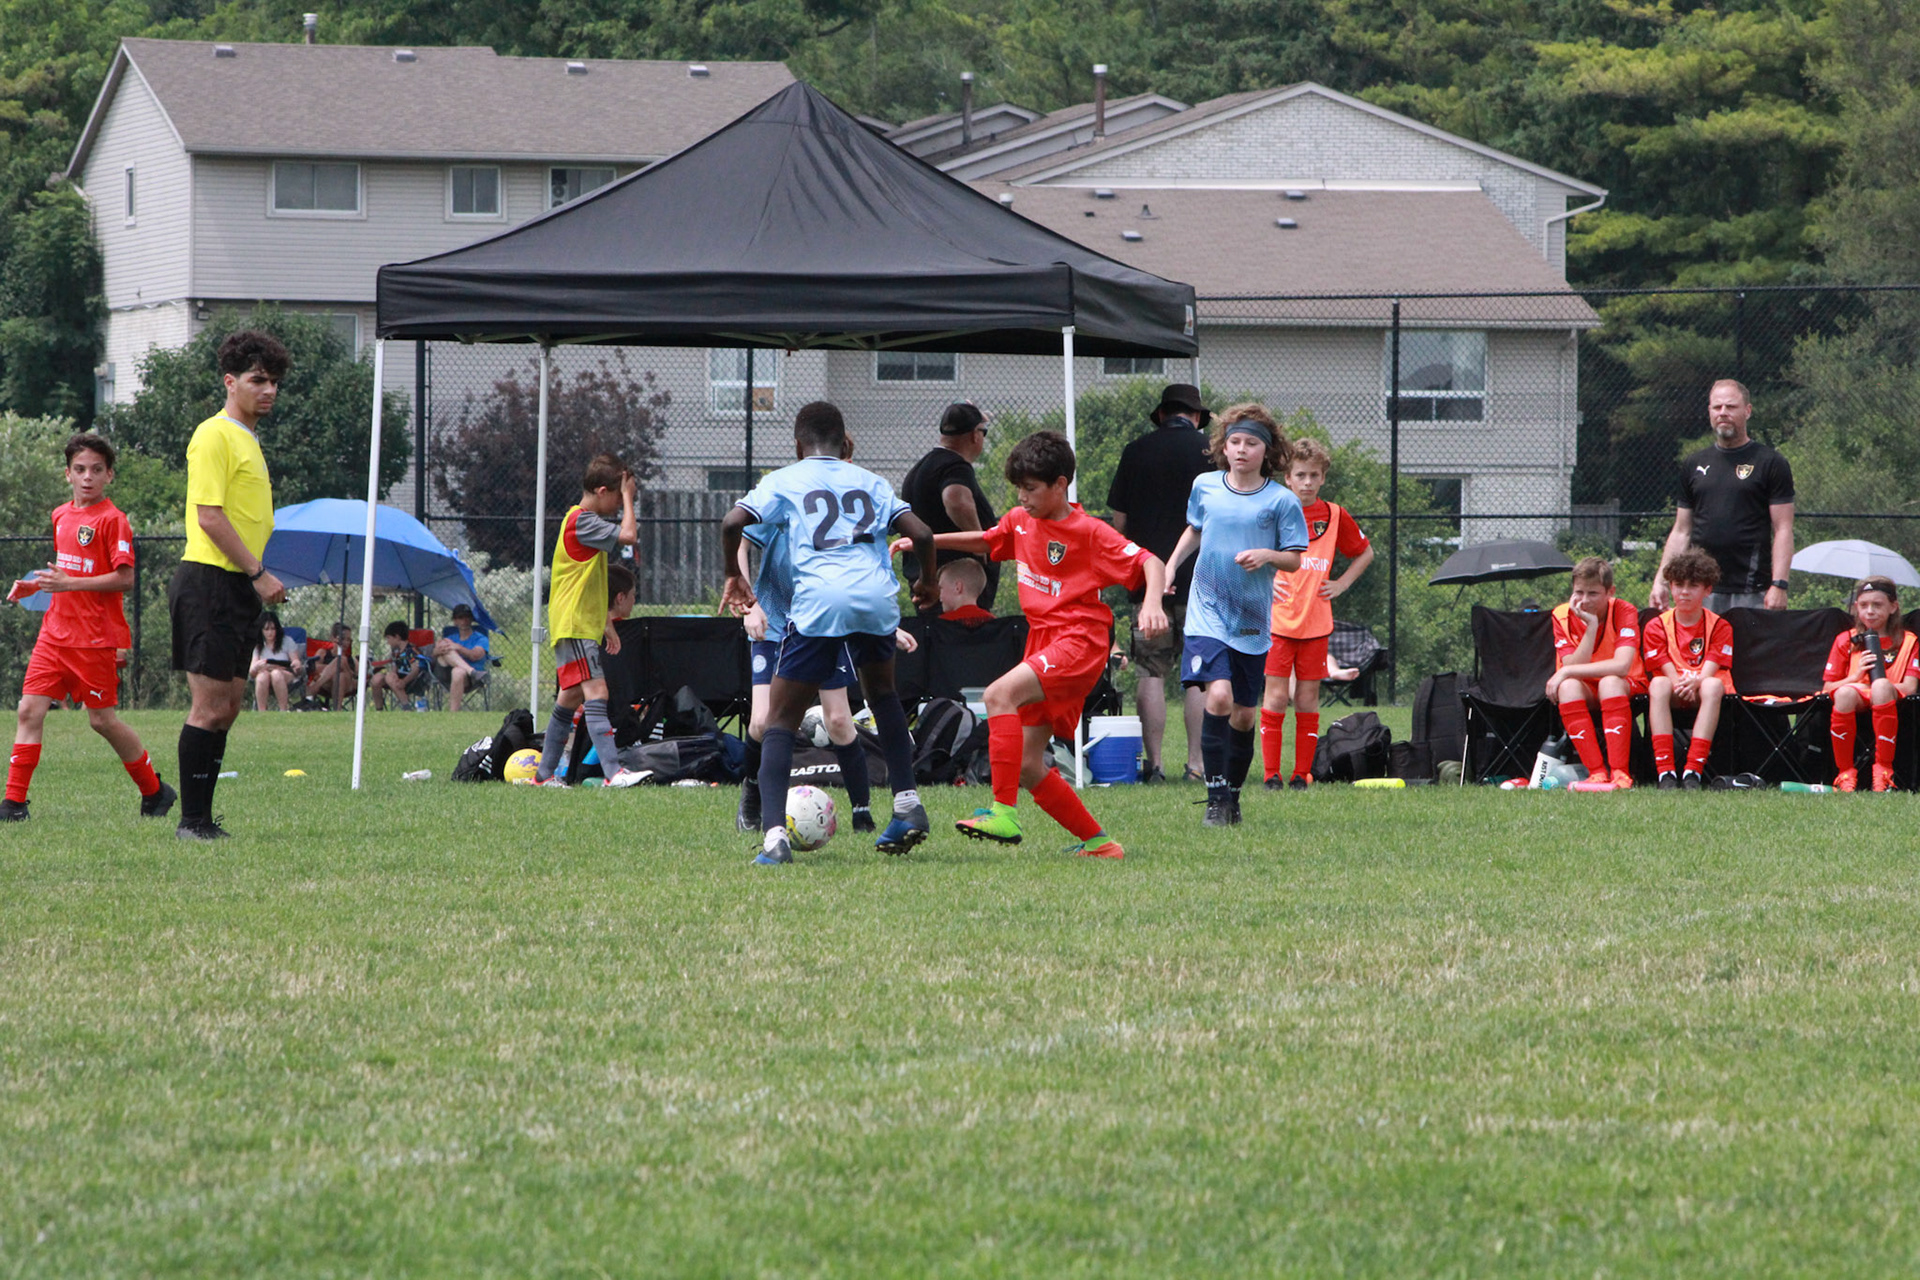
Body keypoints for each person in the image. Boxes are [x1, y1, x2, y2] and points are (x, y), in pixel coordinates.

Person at [912, 430, 1167, 858]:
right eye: (1019, 488)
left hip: (1079, 641)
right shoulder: (1020, 520)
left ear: (1060, 485)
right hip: (1044, 641)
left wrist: (1153, 604)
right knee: (1029, 765)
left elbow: (1150, 562)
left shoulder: (1089, 531)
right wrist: (926, 541)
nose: (1022, 497)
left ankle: (1003, 813)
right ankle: (1101, 845)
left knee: (997, 695)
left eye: (1030, 488)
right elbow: (988, 540)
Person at [721, 401, 937, 865]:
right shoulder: (871, 481)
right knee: (883, 696)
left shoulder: (786, 479)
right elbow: (921, 534)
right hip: (876, 598)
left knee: (780, 720)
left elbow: (732, 522)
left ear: (799, 446)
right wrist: (929, 582)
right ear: (842, 444)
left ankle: (774, 839)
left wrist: (733, 576)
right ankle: (907, 805)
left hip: (821, 601)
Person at [3, 432, 176, 823]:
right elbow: (67, 571)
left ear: (109, 475)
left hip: (94, 639)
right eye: (79, 469)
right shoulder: (60, 515)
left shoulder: (113, 520)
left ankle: (155, 791)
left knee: (102, 721)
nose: (87, 477)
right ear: (67, 473)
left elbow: (124, 579)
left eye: (96, 470)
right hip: (54, 634)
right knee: (28, 710)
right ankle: (13, 805)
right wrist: (35, 585)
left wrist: (69, 584)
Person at [168, 330, 289, 839]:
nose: (269, 389)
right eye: (258, 380)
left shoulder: (248, 438)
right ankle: (191, 822)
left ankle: (204, 819)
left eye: (274, 381)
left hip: (235, 586)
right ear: (230, 382)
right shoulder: (214, 434)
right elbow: (210, 516)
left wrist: (252, 577)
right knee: (209, 707)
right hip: (210, 582)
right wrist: (259, 574)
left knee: (229, 708)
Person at [1163, 405, 1308, 826]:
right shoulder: (1205, 486)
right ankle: (1215, 799)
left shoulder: (1281, 500)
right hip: (1206, 608)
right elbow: (1195, 528)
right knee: (1219, 697)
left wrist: (1267, 555)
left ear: (1267, 451)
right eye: (1235, 442)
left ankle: (1233, 798)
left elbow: (1295, 559)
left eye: (1251, 443)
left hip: (1251, 616)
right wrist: (1170, 567)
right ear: (1223, 447)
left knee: (1244, 715)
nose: (1241, 449)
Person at [1108, 383, 1213, 782]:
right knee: (1199, 673)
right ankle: (1197, 764)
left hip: (1148, 582)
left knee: (1150, 671)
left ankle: (1154, 765)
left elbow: (1119, 522)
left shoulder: (1136, 451)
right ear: (1197, 416)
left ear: (1162, 414)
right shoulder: (1213, 453)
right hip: (1202, 579)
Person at [1259, 435, 1374, 789]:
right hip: (1277, 621)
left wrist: (1341, 584)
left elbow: (1365, 552)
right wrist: (1265, 582)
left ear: (1323, 477)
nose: (1307, 482)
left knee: (1307, 698)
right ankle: (1271, 774)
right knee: (1277, 696)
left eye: (1313, 475)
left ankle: (1301, 774)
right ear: (1287, 478)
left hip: (1316, 623)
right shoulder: (1272, 510)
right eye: (1300, 475)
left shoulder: (1335, 515)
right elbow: (1248, 551)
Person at [527, 454, 642, 788]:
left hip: (578, 624)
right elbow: (629, 535)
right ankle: (613, 773)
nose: (619, 504)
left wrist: (606, 622)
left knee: (570, 698)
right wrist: (629, 497)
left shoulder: (583, 523)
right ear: (603, 491)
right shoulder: (581, 521)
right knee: (597, 691)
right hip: (575, 624)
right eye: (617, 495)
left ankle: (543, 776)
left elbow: (589, 580)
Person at [1651, 379, 1795, 613]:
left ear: (1747, 411)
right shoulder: (1694, 463)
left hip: (1752, 590)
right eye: (1717, 407)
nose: (1723, 413)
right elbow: (1681, 530)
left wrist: (1779, 584)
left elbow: (1783, 529)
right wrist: (1661, 581)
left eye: (1731, 406)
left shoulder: (1770, 462)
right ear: (1709, 411)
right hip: (1700, 588)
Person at [1547, 556, 1647, 790]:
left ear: (1610, 592)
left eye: (1593, 593)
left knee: (1609, 683)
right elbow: (1574, 670)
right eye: (1579, 592)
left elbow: (1622, 666)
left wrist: (1566, 670)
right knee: (1568, 687)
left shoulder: (1624, 610)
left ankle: (1620, 772)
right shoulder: (1561, 615)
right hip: (1587, 687)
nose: (1584, 600)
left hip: (1626, 683)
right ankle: (1596, 772)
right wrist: (1590, 627)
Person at [1643, 549, 1735, 790]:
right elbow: (1662, 664)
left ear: (1707, 590)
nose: (1684, 591)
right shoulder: (1655, 625)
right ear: (1670, 587)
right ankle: (1665, 772)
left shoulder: (1720, 626)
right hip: (1673, 688)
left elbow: (1712, 665)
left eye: (1693, 585)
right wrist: (1680, 683)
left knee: (1712, 685)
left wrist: (1697, 681)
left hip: (1703, 689)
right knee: (1658, 684)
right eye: (1678, 584)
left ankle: (1693, 770)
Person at [1821, 577, 1917, 792]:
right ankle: (1845, 773)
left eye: (1877, 605)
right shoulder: (1846, 639)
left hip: (1889, 696)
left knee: (1881, 686)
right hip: (1855, 694)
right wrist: (1855, 676)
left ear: (1893, 607)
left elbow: (1910, 687)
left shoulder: (1908, 640)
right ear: (1856, 607)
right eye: (1864, 605)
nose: (1870, 611)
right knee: (1844, 693)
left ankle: (1883, 771)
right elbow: (1828, 688)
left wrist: (1879, 686)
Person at [900, 402, 997, 612]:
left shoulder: (920, 470)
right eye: (984, 432)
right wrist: (978, 540)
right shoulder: (954, 465)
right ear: (975, 435)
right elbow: (956, 500)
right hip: (956, 589)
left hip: (927, 581)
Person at [431, 603, 491, 711]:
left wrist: (458, 647)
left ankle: (453, 714)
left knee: (458, 671)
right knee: (446, 646)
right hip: (446, 674)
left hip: (470, 680)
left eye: (467, 617)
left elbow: (475, 655)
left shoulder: (481, 639)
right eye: (460, 617)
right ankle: (471, 671)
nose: (464, 620)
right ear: (455, 621)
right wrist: (437, 650)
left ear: (471, 619)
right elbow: (432, 654)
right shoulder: (450, 638)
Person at [248, 611, 303, 712]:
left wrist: (297, 664)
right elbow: (252, 672)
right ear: (261, 630)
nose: (270, 632)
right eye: (266, 629)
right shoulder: (258, 645)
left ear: (277, 629)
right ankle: (262, 712)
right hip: (264, 673)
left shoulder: (287, 641)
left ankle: (283, 710)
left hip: (285, 673)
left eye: (273, 629)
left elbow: (295, 661)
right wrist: (257, 666)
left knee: (276, 674)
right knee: (262, 676)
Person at [370, 621, 429, 710]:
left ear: (397, 637)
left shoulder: (410, 651)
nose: (388, 642)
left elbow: (415, 669)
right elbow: (395, 668)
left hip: (411, 680)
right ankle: (379, 710)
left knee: (389, 677)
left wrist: (404, 681)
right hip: (398, 678)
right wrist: (393, 674)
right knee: (376, 679)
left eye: (388, 638)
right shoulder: (396, 651)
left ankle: (406, 707)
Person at [308, 622, 357, 707]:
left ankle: (314, 688)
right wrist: (334, 669)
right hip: (327, 685)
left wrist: (333, 668)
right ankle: (337, 710)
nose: (346, 642)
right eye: (342, 639)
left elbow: (356, 675)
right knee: (339, 675)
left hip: (348, 684)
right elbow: (314, 668)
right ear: (333, 638)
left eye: (348, 640)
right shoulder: (323, 652)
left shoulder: (351, 658)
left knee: (341, 661)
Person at [935, 559, 995, 625]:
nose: (939, 596)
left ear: (958, 588)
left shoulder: (940, 625)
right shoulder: (995, 624)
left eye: (941, 588)